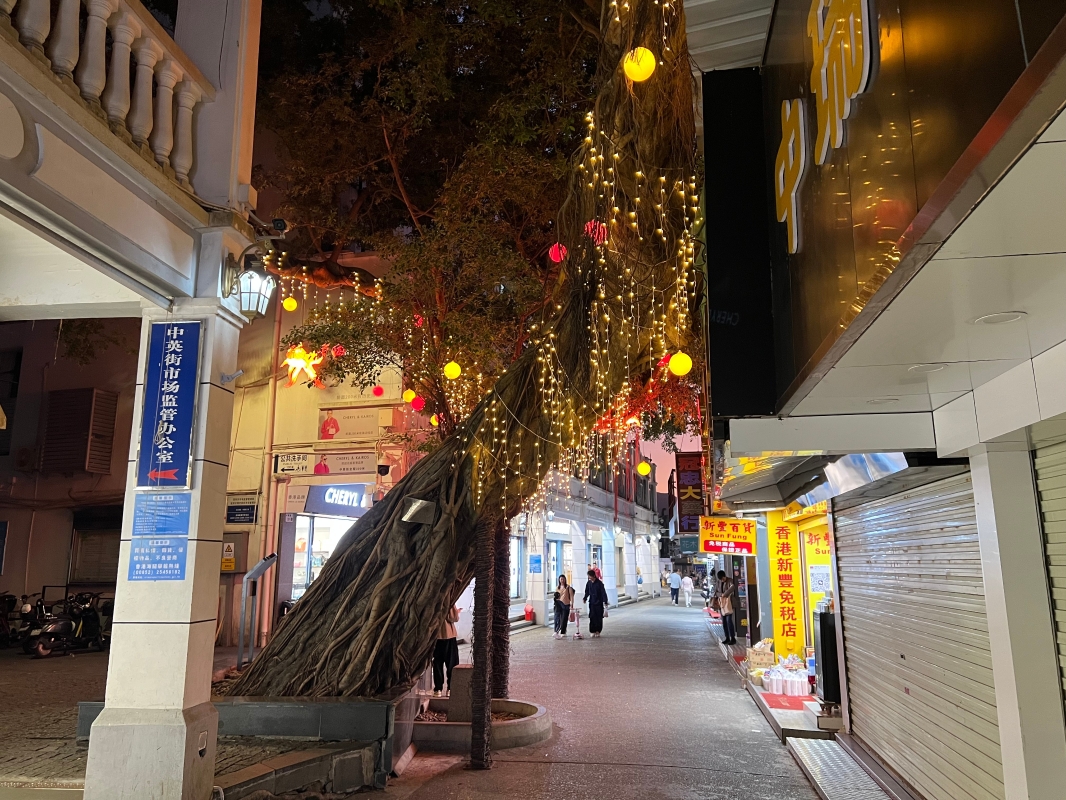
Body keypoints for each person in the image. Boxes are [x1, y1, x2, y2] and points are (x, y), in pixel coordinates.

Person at [432, 604, 461, 697]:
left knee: (437, 663)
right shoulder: (448, 600)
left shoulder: (432, 599)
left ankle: (438, 689)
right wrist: (456, 612)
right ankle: (450, 689)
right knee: (451, 663)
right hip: (449, 636)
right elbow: (453, 618)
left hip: (435, 636)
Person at [583, 568, 609, 638]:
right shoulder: (588, 583)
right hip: (592, 602)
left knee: (599, 617)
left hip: (599, 603)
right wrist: (585, 598)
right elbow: (587, 591)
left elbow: (603, 593)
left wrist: (605, 601)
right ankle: (592, 630)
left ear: (593, 575)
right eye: (588, 576)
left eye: (590, 576)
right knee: (592, 616)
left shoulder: (599, 583)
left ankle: (598, 631)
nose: (589, 577)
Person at [717, 570, 737, 645]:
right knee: (724, 622)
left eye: (723, 578)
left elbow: (732, 588)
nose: (722, 580)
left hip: (729, 604)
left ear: (725, 576)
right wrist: (721, 594)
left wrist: (725, 594)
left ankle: (733, 638)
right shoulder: (718, 582)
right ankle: (727, 637)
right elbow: (716, 592)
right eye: (721, 579)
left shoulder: (730, 580)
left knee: (729, 621)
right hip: (722, 605)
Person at [554, 575, 575, 640]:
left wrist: (572, 604)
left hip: (566, 604)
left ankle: (563, 632)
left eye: (563, 579)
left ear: (565, 580)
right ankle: (557, 631)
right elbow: (556, 596)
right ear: (559, 580)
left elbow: (571, 596)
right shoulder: (557, 587)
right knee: (557, 618)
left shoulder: (568, 588)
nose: (562, 580)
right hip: (558, 604)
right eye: (561, 579)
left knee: (564, 618)